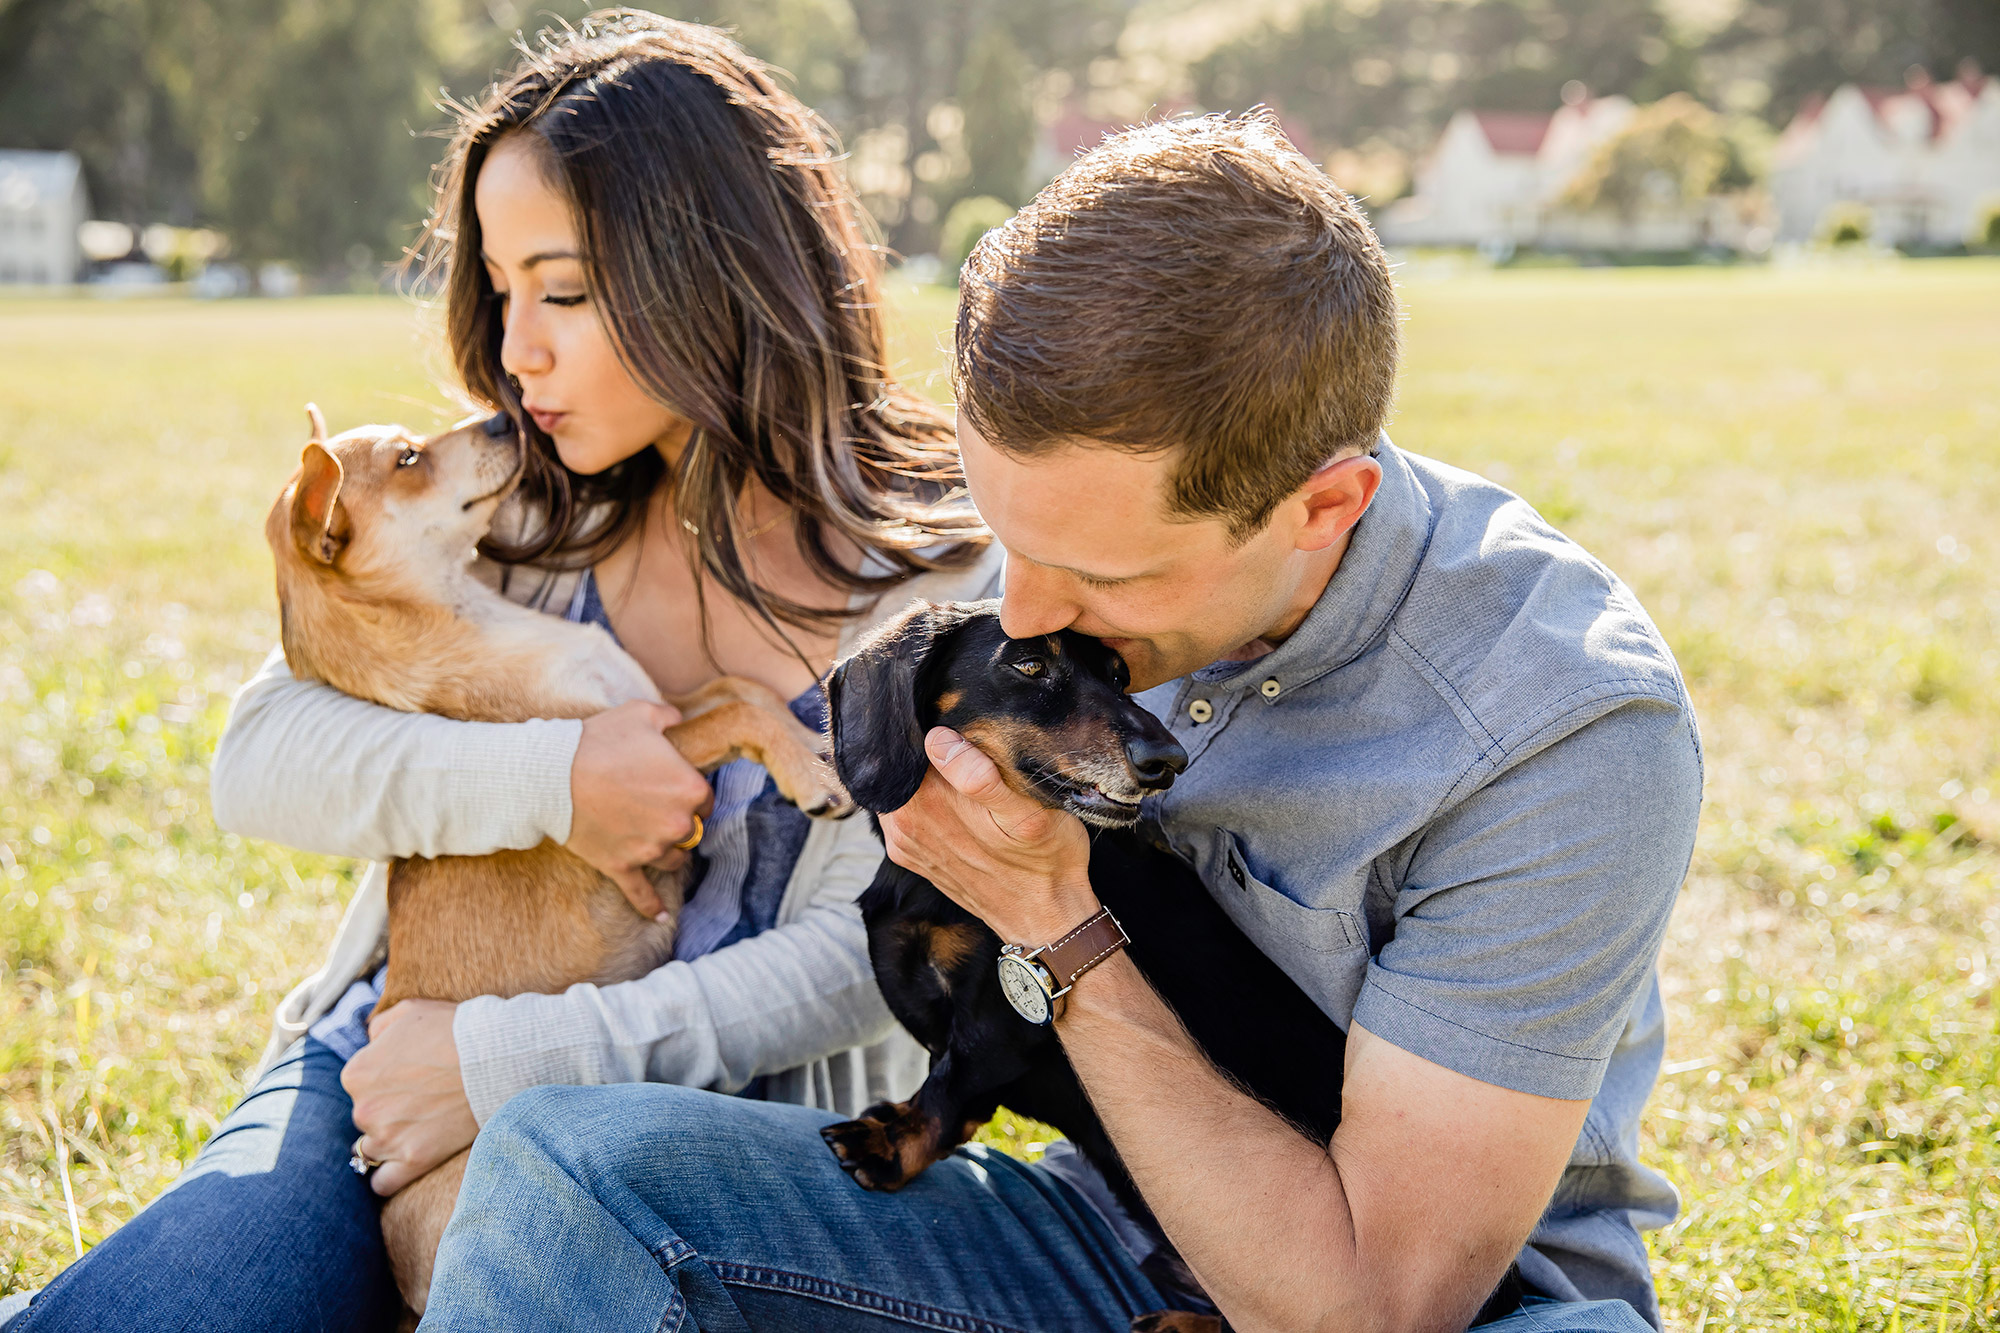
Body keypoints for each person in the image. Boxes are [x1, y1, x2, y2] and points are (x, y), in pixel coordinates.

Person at [412, 112, 1703, 1333]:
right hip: (1101, 1241)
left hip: (1448, 1305)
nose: (1023, 607)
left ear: (1325, 507)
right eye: (1011, 542)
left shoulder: (1560, 729)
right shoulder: (1060, 557)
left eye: (1103, 582)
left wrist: (1054, 924)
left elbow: (1361, 1305)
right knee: (566, 1161)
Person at [0, 15, 995, 1333]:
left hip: (686, 1150)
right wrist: (553, 777)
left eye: (565, 292)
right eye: (499, 285)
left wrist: (506, 1062)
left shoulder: (940, 589)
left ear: (712, 268)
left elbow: (862, 958)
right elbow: (261, 759)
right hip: (387, 1070)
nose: (515, 352)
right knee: (185, 1302)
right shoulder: (531, 511)